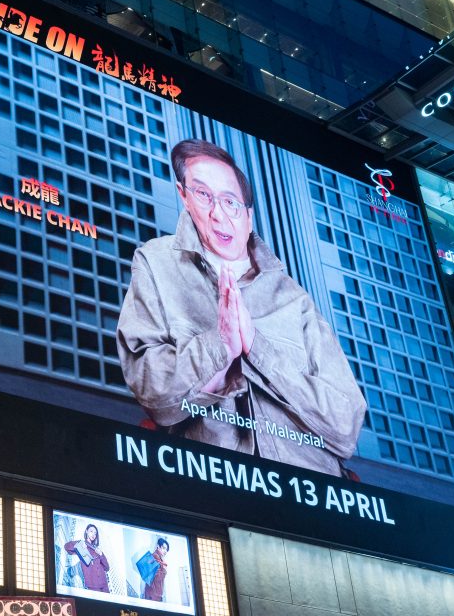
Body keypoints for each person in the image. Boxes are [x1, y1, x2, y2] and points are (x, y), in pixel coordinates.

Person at [116, 139, 366, 477]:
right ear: (183, 195)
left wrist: (255, 346)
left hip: (312, 498)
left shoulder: (294, 298)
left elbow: (346, 427)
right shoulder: (155, 263)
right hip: (212, 488)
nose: (218, 214)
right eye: (203, 195)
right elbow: (155, 396)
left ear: (249, 217)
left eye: (230, 202)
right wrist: (221, 345)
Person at [63, 524, 110, 592]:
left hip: (104, 586)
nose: (93, 534)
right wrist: (79, 544)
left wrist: (101, 554)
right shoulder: (82, 545)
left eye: (95, 533)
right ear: (86, 531)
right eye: (91, 531)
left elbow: (107, 568)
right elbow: (66, 547)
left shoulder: (97, 550)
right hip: (92, 586)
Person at [136, 537, 170, 602]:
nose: (165, 551)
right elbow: (157, 577)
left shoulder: (159, 559)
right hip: (153, 595)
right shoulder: (155, 556)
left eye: (166, 549)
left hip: (154, 594)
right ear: (158, 546)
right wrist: (164, 569)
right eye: (164, 548)